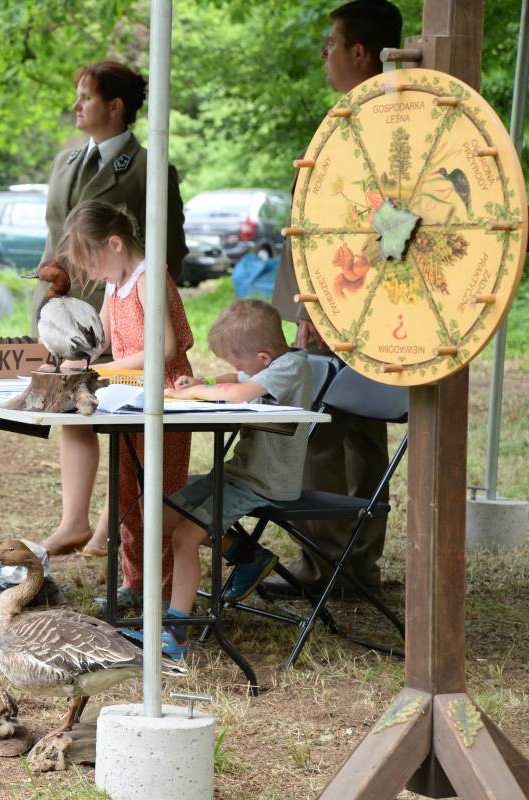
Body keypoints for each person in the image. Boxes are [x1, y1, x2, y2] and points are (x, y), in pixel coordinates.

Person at [266, 0, 402, 598]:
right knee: (356, 437)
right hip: (345, 301)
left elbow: (379, 226)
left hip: (352, 302)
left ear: (359, 53)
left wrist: (315, 308)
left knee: (329, 433)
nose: (324, 53)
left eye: (332, 43)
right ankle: (353, 568)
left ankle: (332, 569)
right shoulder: (373, 117)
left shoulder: (381, 123)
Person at [131, 299, 312, 661]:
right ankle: (248, 557)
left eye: (237, 361)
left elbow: (241, 391)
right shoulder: (270, 364)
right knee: (156, 514)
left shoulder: (292, 366)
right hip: (237, 472)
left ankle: (175, 633)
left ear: (263, 357)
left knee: (185, 535)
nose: (236, 369)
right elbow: (238, 380)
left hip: (264, 482)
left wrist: (190, 393)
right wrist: (206, 382)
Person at [44, 201, 194, 614]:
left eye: (91, 263)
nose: (91, 276)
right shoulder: (116, 284)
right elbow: (100, 342)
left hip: (163, 400)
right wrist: (71, 352)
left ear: (114, 243)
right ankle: (135, 582)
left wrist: (98, 367)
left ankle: (162, 593)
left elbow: (161, 349)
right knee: (127, 492)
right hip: (128, 399)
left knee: (157, 496)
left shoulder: (149, 278)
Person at [31, 60, 188, 337]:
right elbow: (55, 238)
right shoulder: (63, 162)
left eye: (86, 98)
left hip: (110, 324)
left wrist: (135, 313)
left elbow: (169, 254)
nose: (75, 106)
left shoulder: (149, 169)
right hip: (53, 314)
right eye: (77, 98)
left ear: (115, 106)